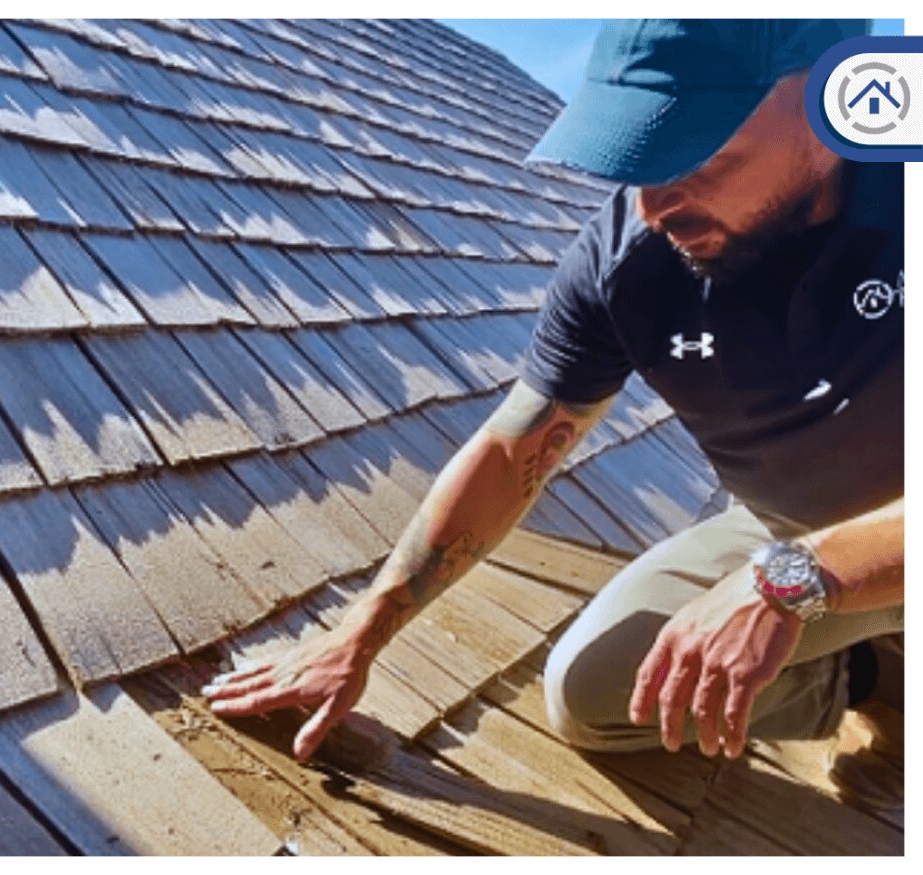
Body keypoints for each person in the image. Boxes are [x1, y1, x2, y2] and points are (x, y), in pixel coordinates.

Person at [203, 19, 904, 813]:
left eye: (692, 152)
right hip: (790, 531)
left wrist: (787, 585)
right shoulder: (630, 262)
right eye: (635, 160)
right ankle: (875, 673)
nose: (653, 207)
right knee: (597, 693)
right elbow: (514, 451)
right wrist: (358, 632)